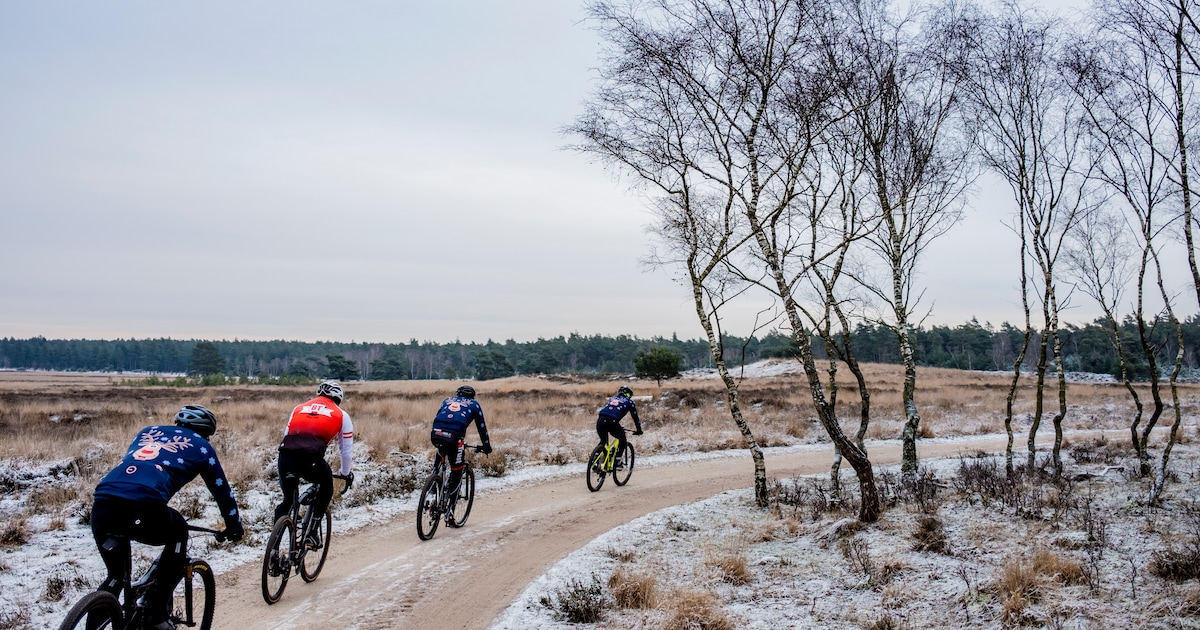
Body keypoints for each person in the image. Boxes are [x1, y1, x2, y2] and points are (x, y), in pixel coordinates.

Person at [91, 405, 243, 630]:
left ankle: (97, 618)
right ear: (207, 431)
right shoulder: (202, 447)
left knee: (115, 577)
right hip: (143, 507)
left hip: (102, 506)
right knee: (178, 530)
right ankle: (155, 611)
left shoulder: (147, 432)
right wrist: (234, 526)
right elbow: (221, 491)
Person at [273, 381, 354, 548]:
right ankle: (312, 532)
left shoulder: (298, 408)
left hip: (285, 458)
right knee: (326, 485)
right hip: (311, 460)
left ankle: (273, 550)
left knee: (288, 501)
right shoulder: (341, 415)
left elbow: (287, 435)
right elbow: (346, 451)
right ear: (338, 398)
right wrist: (345, 473)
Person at [430, 385, 492, 521]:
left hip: (435, 433)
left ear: (457, 394)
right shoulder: (474, 405)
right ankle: (450, 513)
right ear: (472, 396)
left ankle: (434, 480)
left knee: (442, 448)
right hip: (454, 436)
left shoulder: (447, 400)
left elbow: (440, 416)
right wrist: (487, 446)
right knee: (457, 470)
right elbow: (482, 428)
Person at [596, 386, 644, 468]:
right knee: (622, 441)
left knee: (603, 441)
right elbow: (635, 417)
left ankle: (595, 459)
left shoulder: (612, 399)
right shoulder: (630, 402)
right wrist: (639, 429)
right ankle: (617, 461)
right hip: (612, 422)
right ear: (629, 394)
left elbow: (611, 410)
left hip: (600, 420)